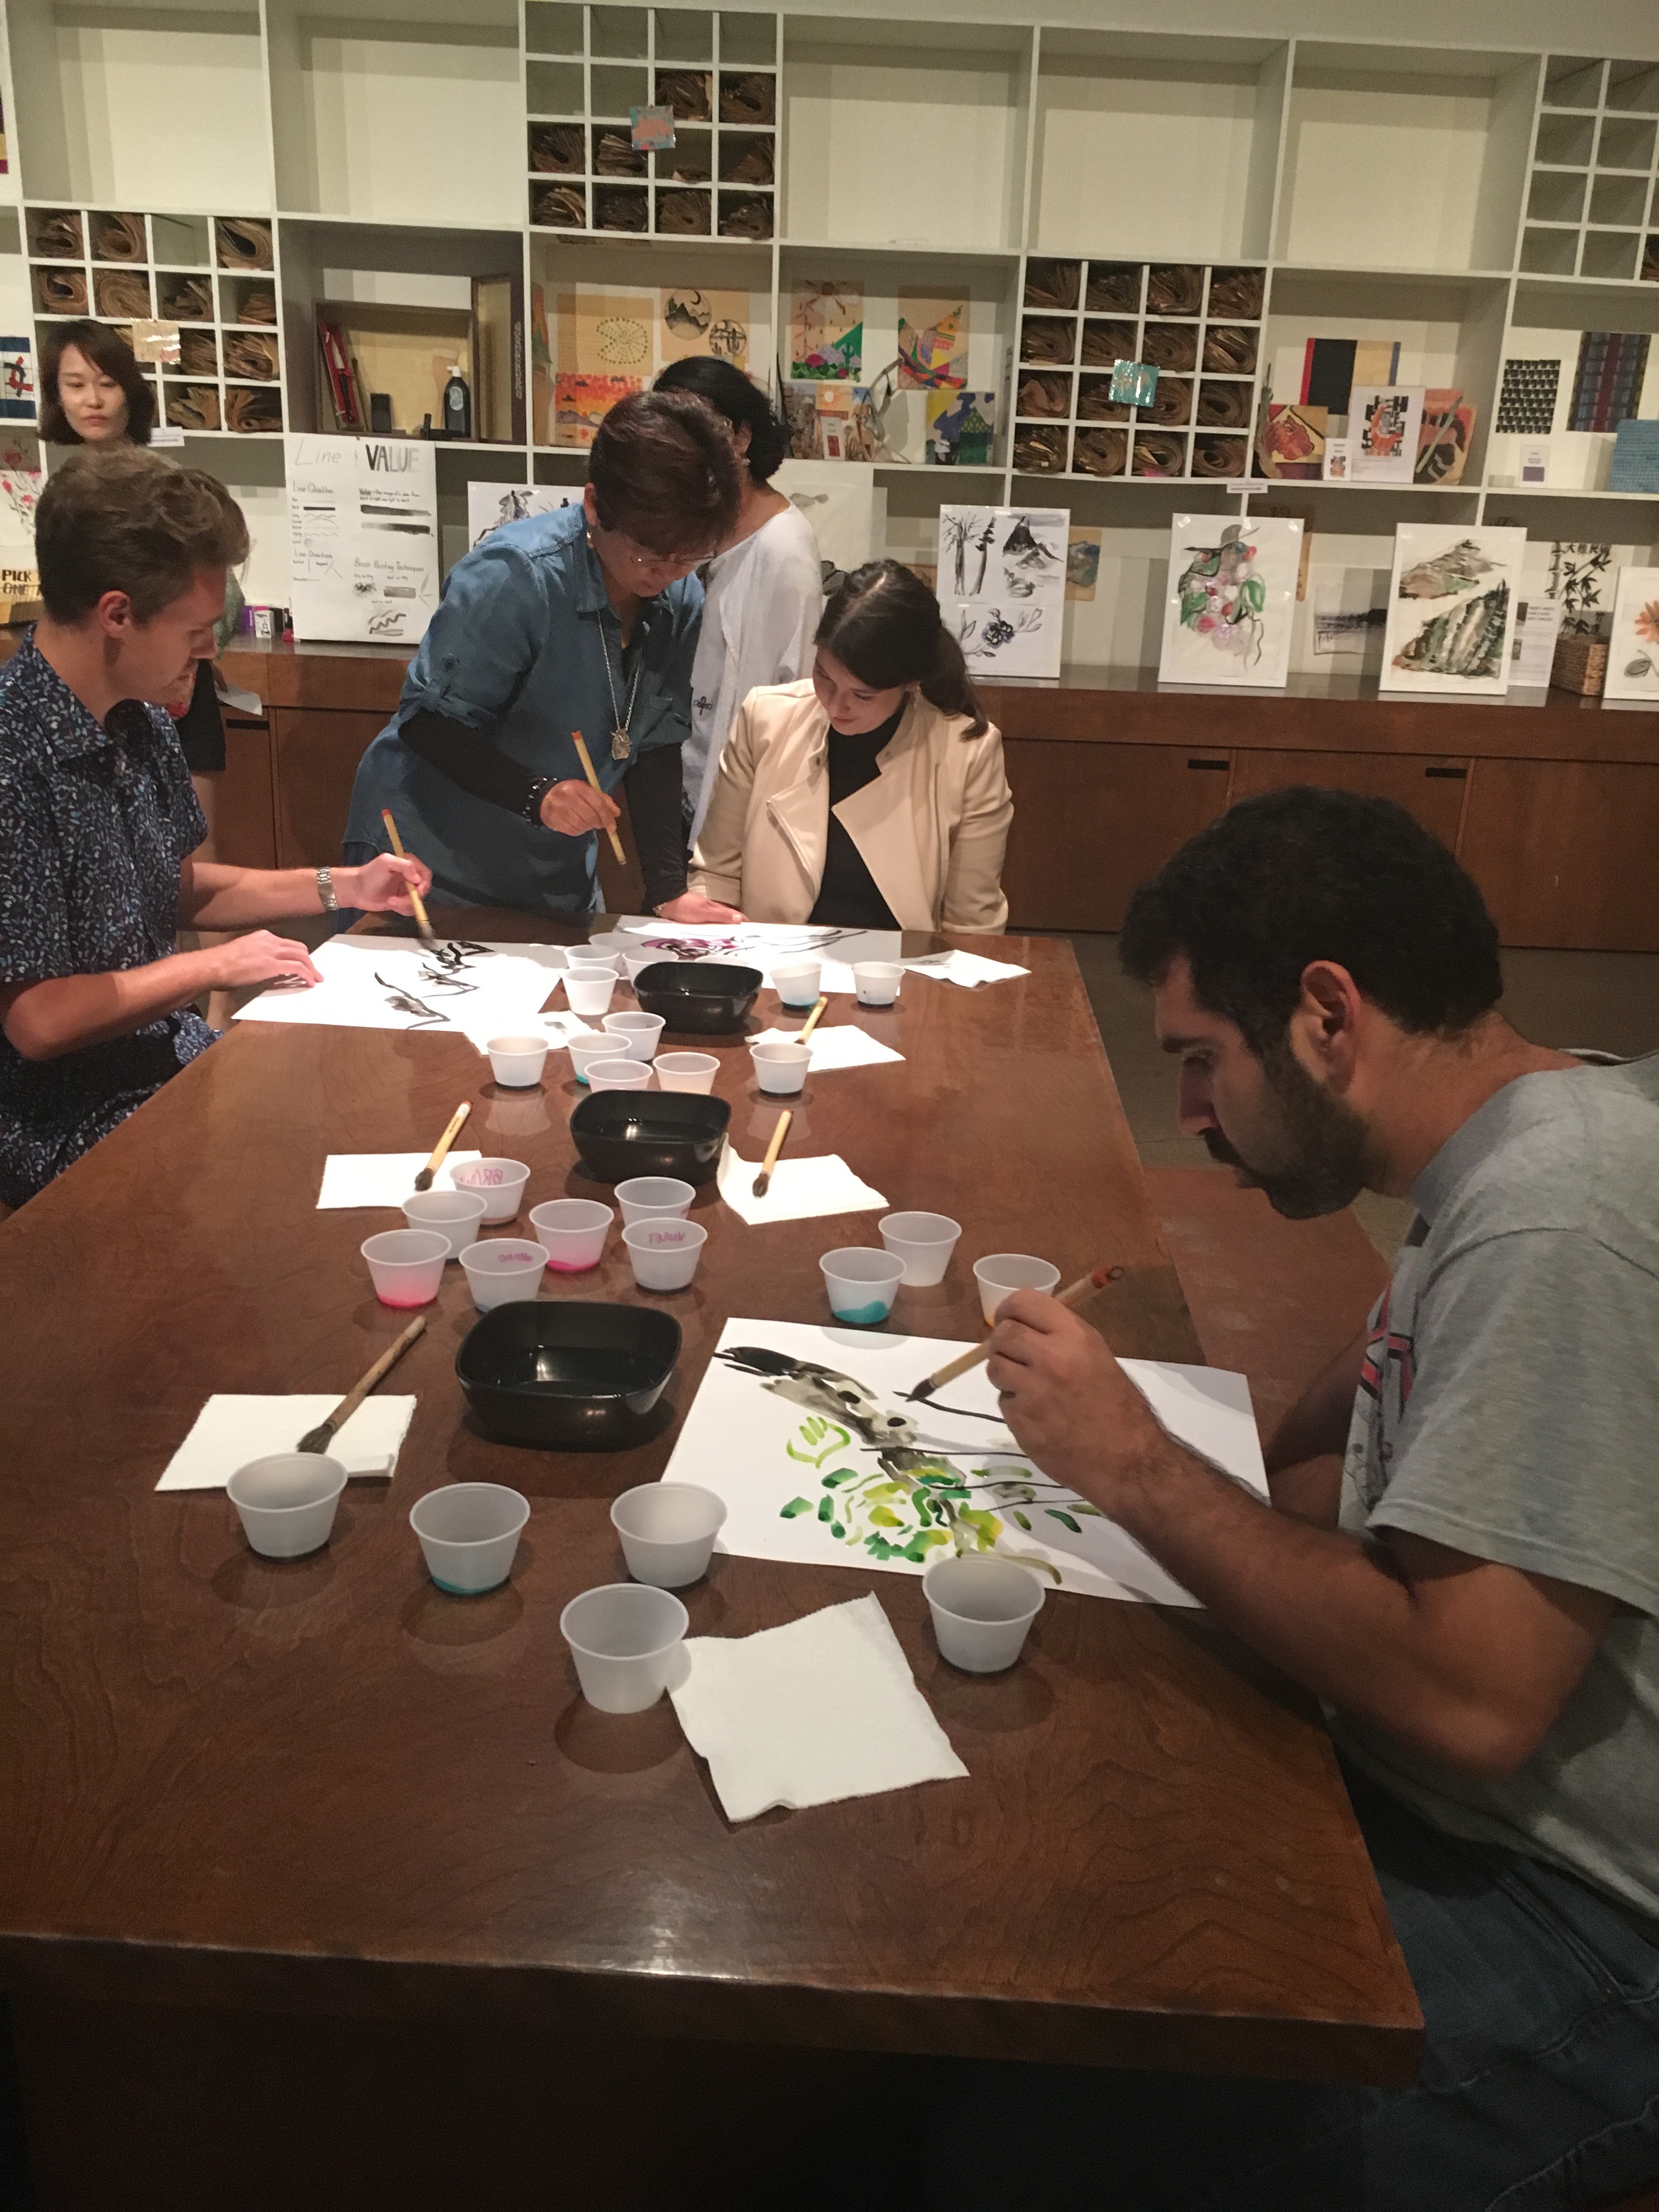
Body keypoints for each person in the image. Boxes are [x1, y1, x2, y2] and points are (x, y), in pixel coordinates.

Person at [914, 788, 1659, 2209]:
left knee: (1017, 2140)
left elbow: (1470, 1700)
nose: (1187, 1115)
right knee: (1038, 1910)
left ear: (1329, 1016)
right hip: (1472, 1819)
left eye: (1200, 1061)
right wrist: (1183, 1439)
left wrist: (1135, 1458)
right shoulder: (1542, 1121)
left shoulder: (1558, 1212)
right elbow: (1349, 1427)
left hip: (1595, 1921)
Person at [0, 446, 428, 1209]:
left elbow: (175, 886)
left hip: (165, 1060)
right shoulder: (16, 755)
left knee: (369, 1117)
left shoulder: (138, 714)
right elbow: (37, 1020)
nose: (211, 649)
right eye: (196, 628)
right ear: (117, 615)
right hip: (63, 1118)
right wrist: (210, 969)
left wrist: (343, 883)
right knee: (302, 1196)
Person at [343, 388, 744, 923]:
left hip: (549, 868)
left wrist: (669, 890)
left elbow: (655, 744)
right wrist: (540, 796)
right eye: (649, 551)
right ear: (595, 505)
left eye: (689, 555)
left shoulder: (680, 598)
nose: (666, 573)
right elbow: (428, 723)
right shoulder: (515, 579)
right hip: (430, 862)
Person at [687, 561, 1012, 933]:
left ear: (910, 683)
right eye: (824, 676)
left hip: (904, 975)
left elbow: (972, 925)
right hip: (776, 969)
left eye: (863, 695)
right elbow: (716, 876)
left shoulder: (966, 753)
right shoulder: (766, 718)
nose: (836, 705)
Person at [38, 319, 240, 791]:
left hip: (169, 694)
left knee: (183, 853)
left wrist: (186, 651)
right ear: (56, 394)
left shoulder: (163, 483)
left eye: (107, 384)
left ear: (130, 392)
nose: (93, 400)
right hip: (99, 698)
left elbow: (224, 597)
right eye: (75, 385)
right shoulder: (62, 494)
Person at [651, 357, 822, 853]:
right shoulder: (696, 522)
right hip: (676, 779)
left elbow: (792, 703)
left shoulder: (783, 550)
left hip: (737, 817)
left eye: (701, 432)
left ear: (743, 438)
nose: (684, 453)